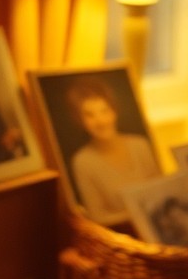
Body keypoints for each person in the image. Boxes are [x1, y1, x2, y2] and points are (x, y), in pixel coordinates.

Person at [65, 77, 162, 226]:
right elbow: (98, 217)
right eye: (90, 115)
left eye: (104, 111)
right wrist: (139, 214)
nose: (101, 121)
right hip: (123, 236)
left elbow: (162, 192)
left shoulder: (140, 145)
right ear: (80, 120)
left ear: (114, 112)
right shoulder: (83, 162)